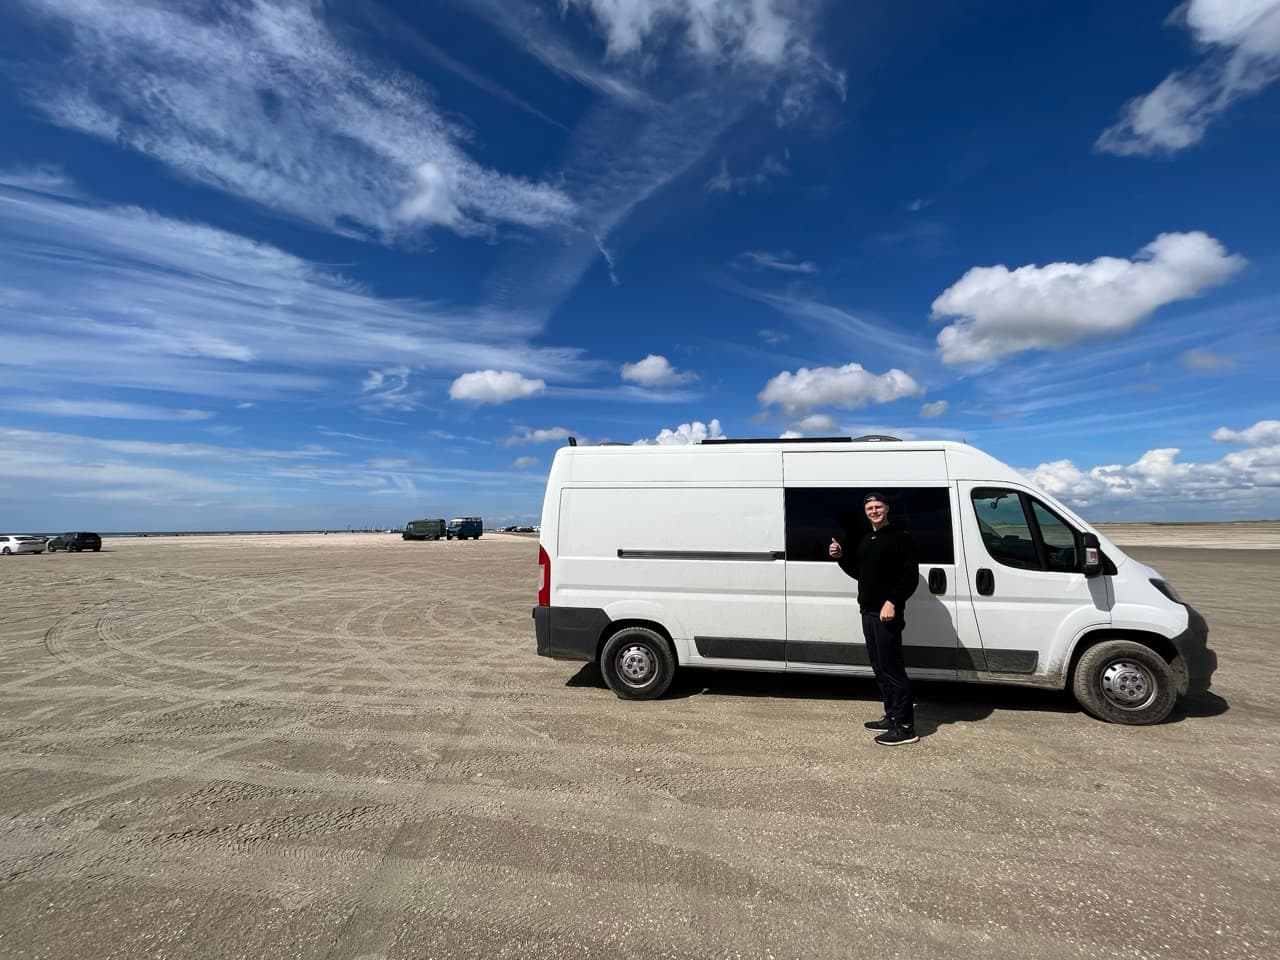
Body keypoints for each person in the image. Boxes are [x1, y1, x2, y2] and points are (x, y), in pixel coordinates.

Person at [828, 491, 921, 745]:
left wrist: (892, 602)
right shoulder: (868, 539)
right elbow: (860, 572)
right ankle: (891, 716)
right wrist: (840, 558)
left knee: (893, 669)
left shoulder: (901, 538)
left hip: (886, 613)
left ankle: (904, 727)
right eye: (870, 508)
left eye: (878, 506)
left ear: (887, 509)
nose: (874, 511)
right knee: (879, 668)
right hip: (867, 611)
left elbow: (909, 578)